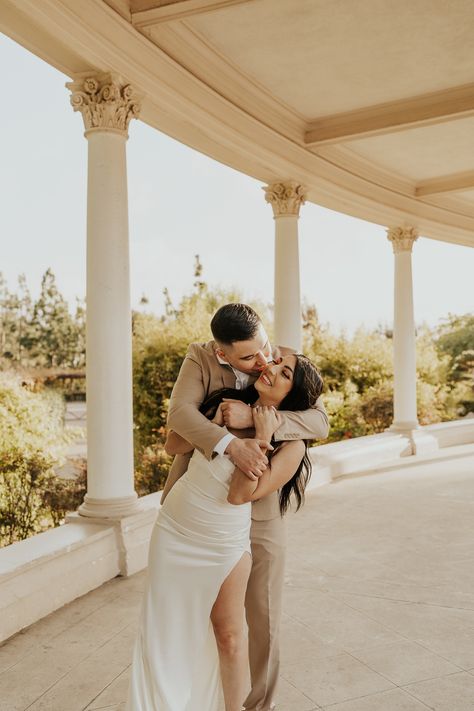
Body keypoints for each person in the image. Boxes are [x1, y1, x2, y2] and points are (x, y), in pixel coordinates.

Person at [125, 347, 324, 711]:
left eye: (285, 374)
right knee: (165, 625)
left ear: (293, 396)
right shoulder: (227, 400)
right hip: (177, 527)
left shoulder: (291, 444)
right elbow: (174, 444)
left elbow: (238, 495)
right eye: (277, 364)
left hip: (226, 539)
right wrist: (215, 423)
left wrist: (262, 435)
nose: (272, 369)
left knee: (231, 635)